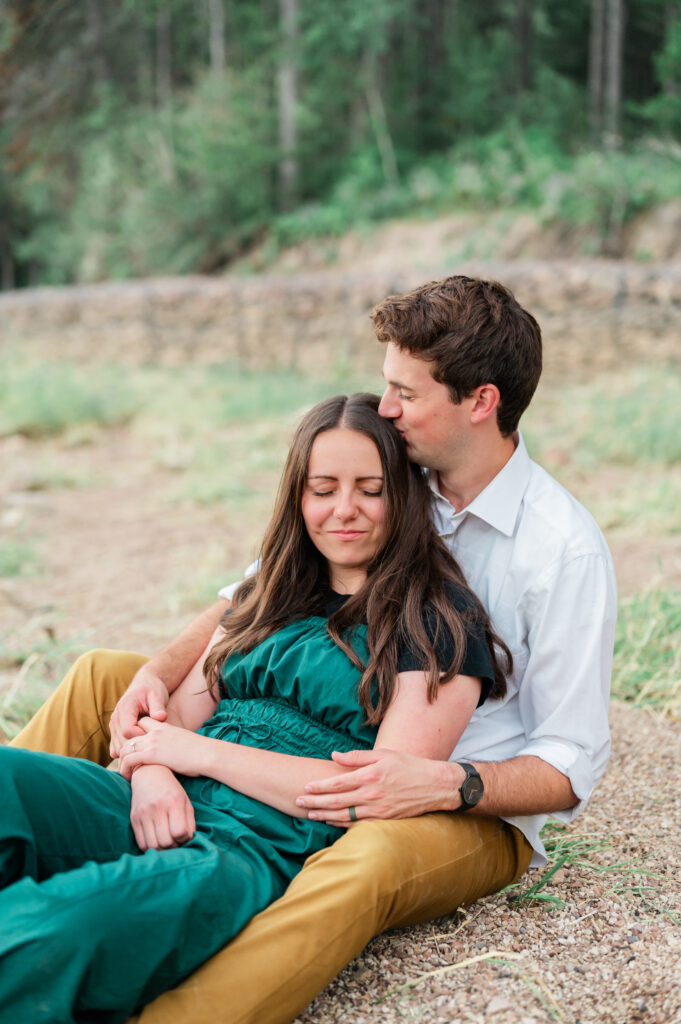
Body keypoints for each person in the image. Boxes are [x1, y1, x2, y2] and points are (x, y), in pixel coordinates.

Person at [11, 276, 617, 1024]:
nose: (384, 407)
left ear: (479, 401)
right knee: (100, 675)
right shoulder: (393, 467)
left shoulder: (558, 550)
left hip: (446, 795)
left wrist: (442, 783)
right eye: (324, 489)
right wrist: (151, 721)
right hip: (264, 753)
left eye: (404, 392)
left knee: (365, 860)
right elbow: (244, 602)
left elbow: (567, 762)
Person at [1, 393, 507, 1024]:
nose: (344, 510)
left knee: (65, 923)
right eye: (323, 488)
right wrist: (155, 772)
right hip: (160, 797)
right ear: (298, 496)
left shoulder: (438, 620)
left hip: (252, 845)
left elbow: (371, 791)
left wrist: (193, 754)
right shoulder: (270, 588)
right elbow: (175, 720)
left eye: (370, 489)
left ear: (402, 497)